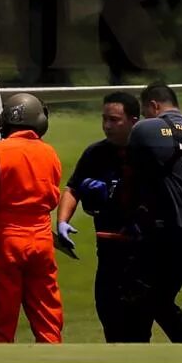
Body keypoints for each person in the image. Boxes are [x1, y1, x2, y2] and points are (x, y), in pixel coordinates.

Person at [0, 92, 64, 343]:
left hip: (8, 240)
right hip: (41, 239)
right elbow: (47, 194)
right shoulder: (49, 153)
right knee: (47, 316)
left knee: (1, 319)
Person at [121, 82, 182, 342]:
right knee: (158, 297)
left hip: (164, 231)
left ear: (154, 105)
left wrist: (129, 213)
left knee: (141, 295)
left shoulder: (146, 129)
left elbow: (130, 177)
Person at [55, 92, 140, 342]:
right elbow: (73, 188)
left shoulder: (146, 151)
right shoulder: (96, 153)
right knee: (109, 314)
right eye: (104, 119)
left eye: (114, 120)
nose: (107, 126)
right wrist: (62, 221)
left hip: (141, 249)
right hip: (108, 246)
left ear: (134, 120)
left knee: (137, 323)